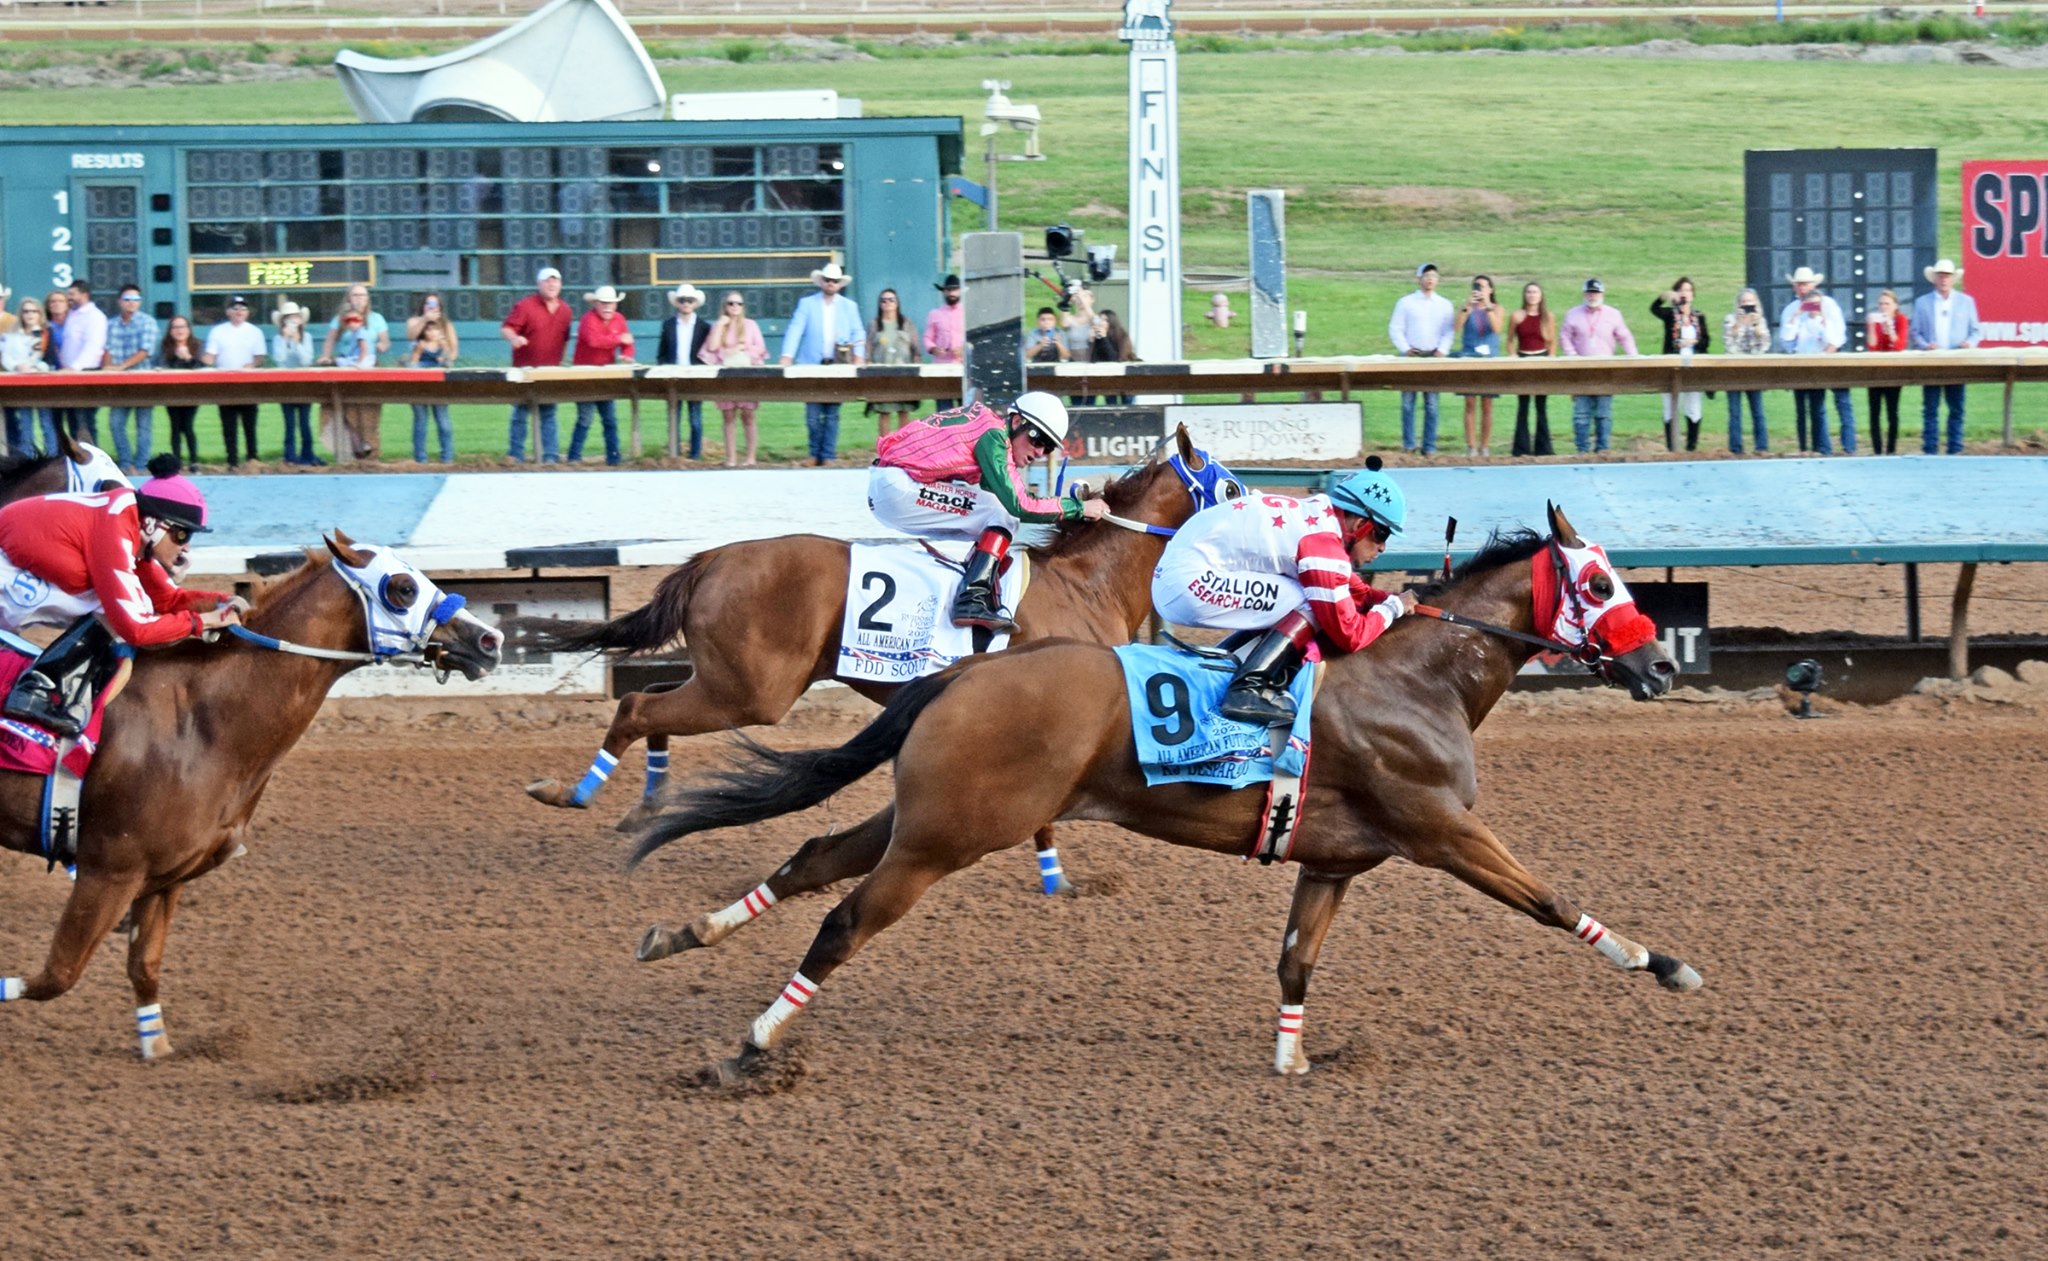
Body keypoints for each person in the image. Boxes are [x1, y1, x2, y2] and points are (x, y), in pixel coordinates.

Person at [1151, 458, 1414, 727]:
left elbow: (1353, 588)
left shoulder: (1319, 516)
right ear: (1360, 525)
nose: (1382, 548)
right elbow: (1350, 635)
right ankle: (1246, 691)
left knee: (1302, 593)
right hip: (1187, 582)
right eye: (1382, 535)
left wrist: (1389, 599)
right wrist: (1392, 610)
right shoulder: (1322, 545)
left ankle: (1227, 667)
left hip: (1177, 571)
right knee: (1309, 600)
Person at [0, 462, 241, 737]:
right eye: (181, 534)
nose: (185, 547)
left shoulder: (130, 519)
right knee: (117, 606)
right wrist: (200, 622)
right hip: (7, 572)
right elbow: (136, 628)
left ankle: (67, 683)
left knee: (131, 600)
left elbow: (168, 599)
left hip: (16, 552)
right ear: (153, 525)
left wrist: (220, 601)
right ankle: (35, 689)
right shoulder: (115, 533)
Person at [867, 391, 1107, 633]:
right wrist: (1078, 509)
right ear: (1016, 422)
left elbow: (1013, 496)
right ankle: (972, 598)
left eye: (1047, 448)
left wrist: (1061, 508)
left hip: (892, 483)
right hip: (897, 487)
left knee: (996, 509)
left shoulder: (991, 430)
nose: (1039, 453)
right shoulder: (993, 438)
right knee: (1004, 515)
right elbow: (1020, 505)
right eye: (1037, 440)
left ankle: (975, 586)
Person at [779, 262, 866, 466]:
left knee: (832, 413)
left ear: (839, 284)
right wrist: (787, 354)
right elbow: (796, 328)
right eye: (827, 280)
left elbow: (858, 332)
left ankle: (828, 455)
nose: (831, 284)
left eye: (835, 281)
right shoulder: (807, 304)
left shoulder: (849, 307)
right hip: (811, 364)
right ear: (821, 282)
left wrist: (859, 355)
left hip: (838, 364)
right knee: (812, 414)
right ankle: (813, 453)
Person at [1778, 266, 1855, 455]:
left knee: (1842, 403)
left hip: (1832, 357)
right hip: (1806, 361)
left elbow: (1839, 333)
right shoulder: (1791, 310)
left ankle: (1849, 447)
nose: (1802, 288)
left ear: (1813, 284)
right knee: (1813, 406)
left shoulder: (1828, 304)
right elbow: (1786, 340)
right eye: (1799, 284)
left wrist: (1829, 349)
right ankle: (1816, 447)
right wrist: (1797, 317)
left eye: (1805, 284)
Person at [501, 266, 573, 463]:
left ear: (560, 284)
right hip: (525, 370)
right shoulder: (525, 306)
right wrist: (515, 338)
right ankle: (516, 455)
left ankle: (550, 456)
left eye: (555, 281)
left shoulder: (566, 310)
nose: (551, 284)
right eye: (547, 281)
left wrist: (561, 362)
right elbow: (506, 328)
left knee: (549, 413)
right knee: (520, 413)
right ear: (539, 284)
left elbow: (564, 339)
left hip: (550, 370)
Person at [1910, 258, 1982, 455]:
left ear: (1952, 279)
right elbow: (1915, 332)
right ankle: (1930, 448)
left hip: (1957, 361)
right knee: (1931, 408)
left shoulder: (1966, 302)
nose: (1943, 279)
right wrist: (1926, 346)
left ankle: (1955, 448)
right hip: (1932, 361)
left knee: (1957, 407)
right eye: (1940, 276)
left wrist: (1969, 343)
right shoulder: (1923, 303)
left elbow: (1976, 331)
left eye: (1947, 276)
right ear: (1934, 278)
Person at [1559, 279, 1639, 453]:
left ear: (1602, 294)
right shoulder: (1572, 314)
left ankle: (1603, 450)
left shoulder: (1613, 314)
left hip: (1605, 370)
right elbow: (1565, 337)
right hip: (1581, 369)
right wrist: (1572, 357)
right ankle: (1582, 450)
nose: (1592, 296)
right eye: (1589, 292)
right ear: (1584, 294)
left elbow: (1624, 337)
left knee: (1603, 413)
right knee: (1581, 413)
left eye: (1595, 293)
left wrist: (1633, 358)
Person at [318, 283, 390, 462]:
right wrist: (326, 356)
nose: (359, 299)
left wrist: (381, 347)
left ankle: (371, 452)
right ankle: (349, 452)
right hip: (346, 367)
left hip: (366, 368)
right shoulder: (341, 319)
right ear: (349, 298)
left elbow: (383, 343)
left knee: (368, 411)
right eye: (355, 295)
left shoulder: (376, 319)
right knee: (341, 409)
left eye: (363, 295)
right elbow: (330, 340)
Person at [1388, 263, 1455, 455]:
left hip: (1433, 356)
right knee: (1408, 402)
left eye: (1433, 276)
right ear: (1419, 279)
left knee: (1432, 404)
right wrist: (1405, 348)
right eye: (1426, 276)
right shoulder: (1406, 303)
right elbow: (1396, 328)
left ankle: (1429, 446)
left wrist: (1442, 350)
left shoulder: (1444, 304)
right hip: (1412, 355)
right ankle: (1409, 444)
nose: (1430, 279)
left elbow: (1448, 330)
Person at [566, 285, 635, 465]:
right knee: (585, 418)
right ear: (596, 304)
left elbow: (628, 342)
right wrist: (619, 339)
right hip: (585, 376)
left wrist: (627, 354)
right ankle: (574, 456)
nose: (607, 307)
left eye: (610, 303)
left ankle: (613, 457)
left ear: (615, 305)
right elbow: (593, 341)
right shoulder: (587, 320)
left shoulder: (619, 319)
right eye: (603, 303)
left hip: (606, 375)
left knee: (610, 419)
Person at [201, 295, 268, 466]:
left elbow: (260, 356)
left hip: (248, 384)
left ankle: (252, 458)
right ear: (228, 311)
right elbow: (210, 356)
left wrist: (253, 364)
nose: (239, 311)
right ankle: (232, 461)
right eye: (235, 308)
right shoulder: (218, 331)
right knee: (228, 425)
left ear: (247, 312)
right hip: (225, 383)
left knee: (250, 424)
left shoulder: (255, 332)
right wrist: (202, 359)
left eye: (242, 308)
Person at [702, 291, 766, 467]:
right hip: (726, 377)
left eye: (738, 303)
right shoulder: (719, 325)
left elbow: (760, 348)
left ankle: (751, 457)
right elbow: (712, 347)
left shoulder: (751, 325)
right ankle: (731, 458)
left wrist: (741, 349)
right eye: (731, 303)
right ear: (725, 306)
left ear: (743, 307)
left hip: (746, 375)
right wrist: (721, 326)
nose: (735, 307)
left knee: (748, 415)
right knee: (728, 416)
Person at [1649, 277, 1712, 451]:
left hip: (1693, 367)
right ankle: (1672, 448)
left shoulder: (1698, 317)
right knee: (1670, 407)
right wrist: (1664, 296)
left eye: (1689, 290)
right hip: (1672, 366)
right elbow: (1654, 309)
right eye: (1682, 290)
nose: (1686, 293)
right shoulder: (1670, 315)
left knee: (1693, 408)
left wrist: (1693, 342)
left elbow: (1706, 341)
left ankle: (1691, 447)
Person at [102, 283, 159, 474]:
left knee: (143, 426)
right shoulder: (111, 324)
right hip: (118, 383)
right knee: (116, 423)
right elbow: (107, 349)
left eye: (135, 299)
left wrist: (121, 367)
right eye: (127, 299)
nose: (131, 303)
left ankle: (141, 465)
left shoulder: (148, 322)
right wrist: (109, 368)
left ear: (140, 302)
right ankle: (126, 464)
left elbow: (145, 351)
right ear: (120, 301)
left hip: (143, 380)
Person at [655, 283, 712, 459]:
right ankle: (675, 454)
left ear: (695, 303)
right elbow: (661, 353)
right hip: (674, 378)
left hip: (695, 378)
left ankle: (695, 455)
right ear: (677, 303)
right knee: (674, 418)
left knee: (695, 419)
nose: (686, 303)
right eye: (682, 300)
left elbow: (708, 354)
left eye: (689, 300)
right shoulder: (668, 325)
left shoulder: (704, 327)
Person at [1452, 274, 1504, 457]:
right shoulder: (1467, 308)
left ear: (1491, 289)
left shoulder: (1497, 308)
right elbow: (1456, 327)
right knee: (1470, 402)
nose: (1480, 289)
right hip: (1469, 356)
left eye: (1484, 286)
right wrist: (1467, 306)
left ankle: (1484, 445)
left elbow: (1497, 328)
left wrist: (1487, 305)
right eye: (1477, 286)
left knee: (1487, 404)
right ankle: (1471, 445)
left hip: (1489, 358)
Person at [2, 297, 59, 457]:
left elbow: (49, 359)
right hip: (21, 383)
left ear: (39, 313)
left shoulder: (46, 332)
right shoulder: (12, 334)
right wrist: (17, 366)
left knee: (46, 422)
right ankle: (27, 459)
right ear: (21, 314)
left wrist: (35, 367)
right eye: (26, 311)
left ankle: (51, 458)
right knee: (26, 423)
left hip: (42, 382)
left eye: (33, 311)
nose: (30, 315)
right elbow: (5, 356)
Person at [270, 301, 321, 467]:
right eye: (288, 318)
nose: (292, 321)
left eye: (295, 317)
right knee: (289, 423)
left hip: (304, 385)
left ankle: (308, 454)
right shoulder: (278, 338)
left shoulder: (307, 338)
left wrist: (297, 343)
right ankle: (290, 456)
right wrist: (286, 340)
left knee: (305, 423)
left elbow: (306, 360)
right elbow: (279, 359)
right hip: (285, 385)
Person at [1508, 282, 1557, 457]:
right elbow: (1509, 341)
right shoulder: (1517, 316)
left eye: (1535, 292)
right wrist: (1513, 356)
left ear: (1541, 295)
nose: (1532, 295)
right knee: (1523, 404)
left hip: (1542, 359)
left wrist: (1550, 361)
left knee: (1541, 405)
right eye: (1528, 292)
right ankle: (1521, 448)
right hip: (1523, 359)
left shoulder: (1547, 317)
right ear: (1524, 295)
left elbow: (1551, 342)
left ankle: (1543, 448)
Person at [1721, 288, 1773, 454]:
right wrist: (1739, 325)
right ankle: (1736, 448)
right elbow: (1730, 346)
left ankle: (1761, 446)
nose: (1747, 305)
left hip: (1753, 370)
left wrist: (1756, 327)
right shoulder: (1730, 320)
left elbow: (1764, 346)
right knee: (1735, 412)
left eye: (1750, 302)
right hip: (1733, 370)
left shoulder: (1760, 321)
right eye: (1744, 302)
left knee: (1758, 410)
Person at [866, 288, 921, 439]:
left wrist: (916, 369)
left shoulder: (906, 323)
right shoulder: (874, 324)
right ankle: (884, 449)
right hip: (882, 375)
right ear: (879, 304)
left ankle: (904, 448)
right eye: (884, 300)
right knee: (884, 412)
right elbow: (868, 348)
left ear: (897, 303)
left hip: (904, 375)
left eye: (891, 300)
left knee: (904, 411)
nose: (888, 303)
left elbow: (916, 349)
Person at [58, 280, 109, 443]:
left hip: (85, 372)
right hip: (69, 373)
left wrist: (75, 367)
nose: (69, 297)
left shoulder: (95, 317)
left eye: (72, 294)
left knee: (85, 422)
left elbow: (93, 347)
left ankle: (91, 461)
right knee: (73, 422)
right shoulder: (73, 315)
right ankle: (75, 462)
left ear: (84, 295)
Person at [406, 312, 457, 464]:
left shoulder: (442, 346)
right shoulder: (420, 345)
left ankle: (447, 456)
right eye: (428, 330)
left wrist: (444, 351)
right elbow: (413, 365)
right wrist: (418, 354)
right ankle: (420, 458)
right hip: (420, 385)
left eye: (435, 329)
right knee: (421, 421)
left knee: (443, 421)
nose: (432, 333)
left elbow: (447, 362)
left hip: (439, 387)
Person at [1865, 289, 1910, 455]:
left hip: (1893, 371)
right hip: (1875, 372)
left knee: (1892, 411)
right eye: (1881, 304)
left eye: (1887, 304)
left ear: (1895, 306)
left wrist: (1890, 328)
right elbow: (1872, 346)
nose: (1883, 307)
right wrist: (1871, 325)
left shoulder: (1901, 320)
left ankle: (1891, 449)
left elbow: (1899, 346)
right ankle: (1877, 450)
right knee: (1874, 412)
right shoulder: (1875, 320)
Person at [158, 315, 204, 465]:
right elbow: (160, 366)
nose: (179, 330)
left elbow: (201, 368)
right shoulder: (164, 347)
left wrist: (188, 358)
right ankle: (176, 462)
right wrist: (173, 358)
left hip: (192, 393)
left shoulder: (198, 345)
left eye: (183, 327)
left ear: (189, 329)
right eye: (175, 327)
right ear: (170, 331)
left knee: (188, 426)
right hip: (171, 393)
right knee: (175, 426)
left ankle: (194, 461)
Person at [923, 274, 965, 411]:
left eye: (954, 289)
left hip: (963, 366)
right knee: (944, 410)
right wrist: (933, 349)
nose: (951, 293)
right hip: (941, 367)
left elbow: (975, 338)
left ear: (960, 291)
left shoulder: (967, 312)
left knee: (966, 409)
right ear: (944, 292)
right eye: (948, 290)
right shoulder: (934, 314)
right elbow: (927, 338)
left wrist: (964, 349)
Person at [1061, 285, 1096, 406]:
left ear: (1092, 299)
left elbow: (1095, 321)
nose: (1081, 299)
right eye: (1079, 297)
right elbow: (1064, 323)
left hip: (1090, 365)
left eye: (1086, 296)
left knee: (1090, 400)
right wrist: (1067, 298)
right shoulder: (1071, 319)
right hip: (1074, 363)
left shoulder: (1094, 319)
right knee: (1075, 400)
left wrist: (1082, 298)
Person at [1092, 309, 1137, 406]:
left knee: (1128, 406)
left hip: (1126, 379)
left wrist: (1104, 338)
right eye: (1100, 320)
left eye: (1104, 320)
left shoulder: (1122, 336)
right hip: (1109, 379)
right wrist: (1095, 340)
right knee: (1111, 404)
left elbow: (1116, 359)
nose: (1101, 322)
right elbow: (1094, 360)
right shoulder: (1100, 339)